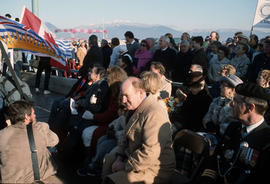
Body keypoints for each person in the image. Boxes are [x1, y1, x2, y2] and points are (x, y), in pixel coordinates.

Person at [102, 77, 175, 184]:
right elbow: (125, 139)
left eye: (126, 96)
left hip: (154, 168)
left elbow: (150, 153)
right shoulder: (134, 108)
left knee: (114, 181)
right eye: (122, 95)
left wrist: (125, 165)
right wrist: (119, 157)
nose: (123, 100)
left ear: (140, 93)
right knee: (108, 161)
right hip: (135, 158)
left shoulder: (155, 113)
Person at [199, 82, 270, 184]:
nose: (232, 104)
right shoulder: (233, 127)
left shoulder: (266, 141)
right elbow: (215, 159)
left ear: (250, 107)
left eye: (236, 101)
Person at [0, 100, 62, 183]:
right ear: (26, 116)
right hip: (43, 177)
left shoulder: (2, 134)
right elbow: (55, 141)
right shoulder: (40, 128)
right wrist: (34, 123)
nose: (35, 115)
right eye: (33, 113)